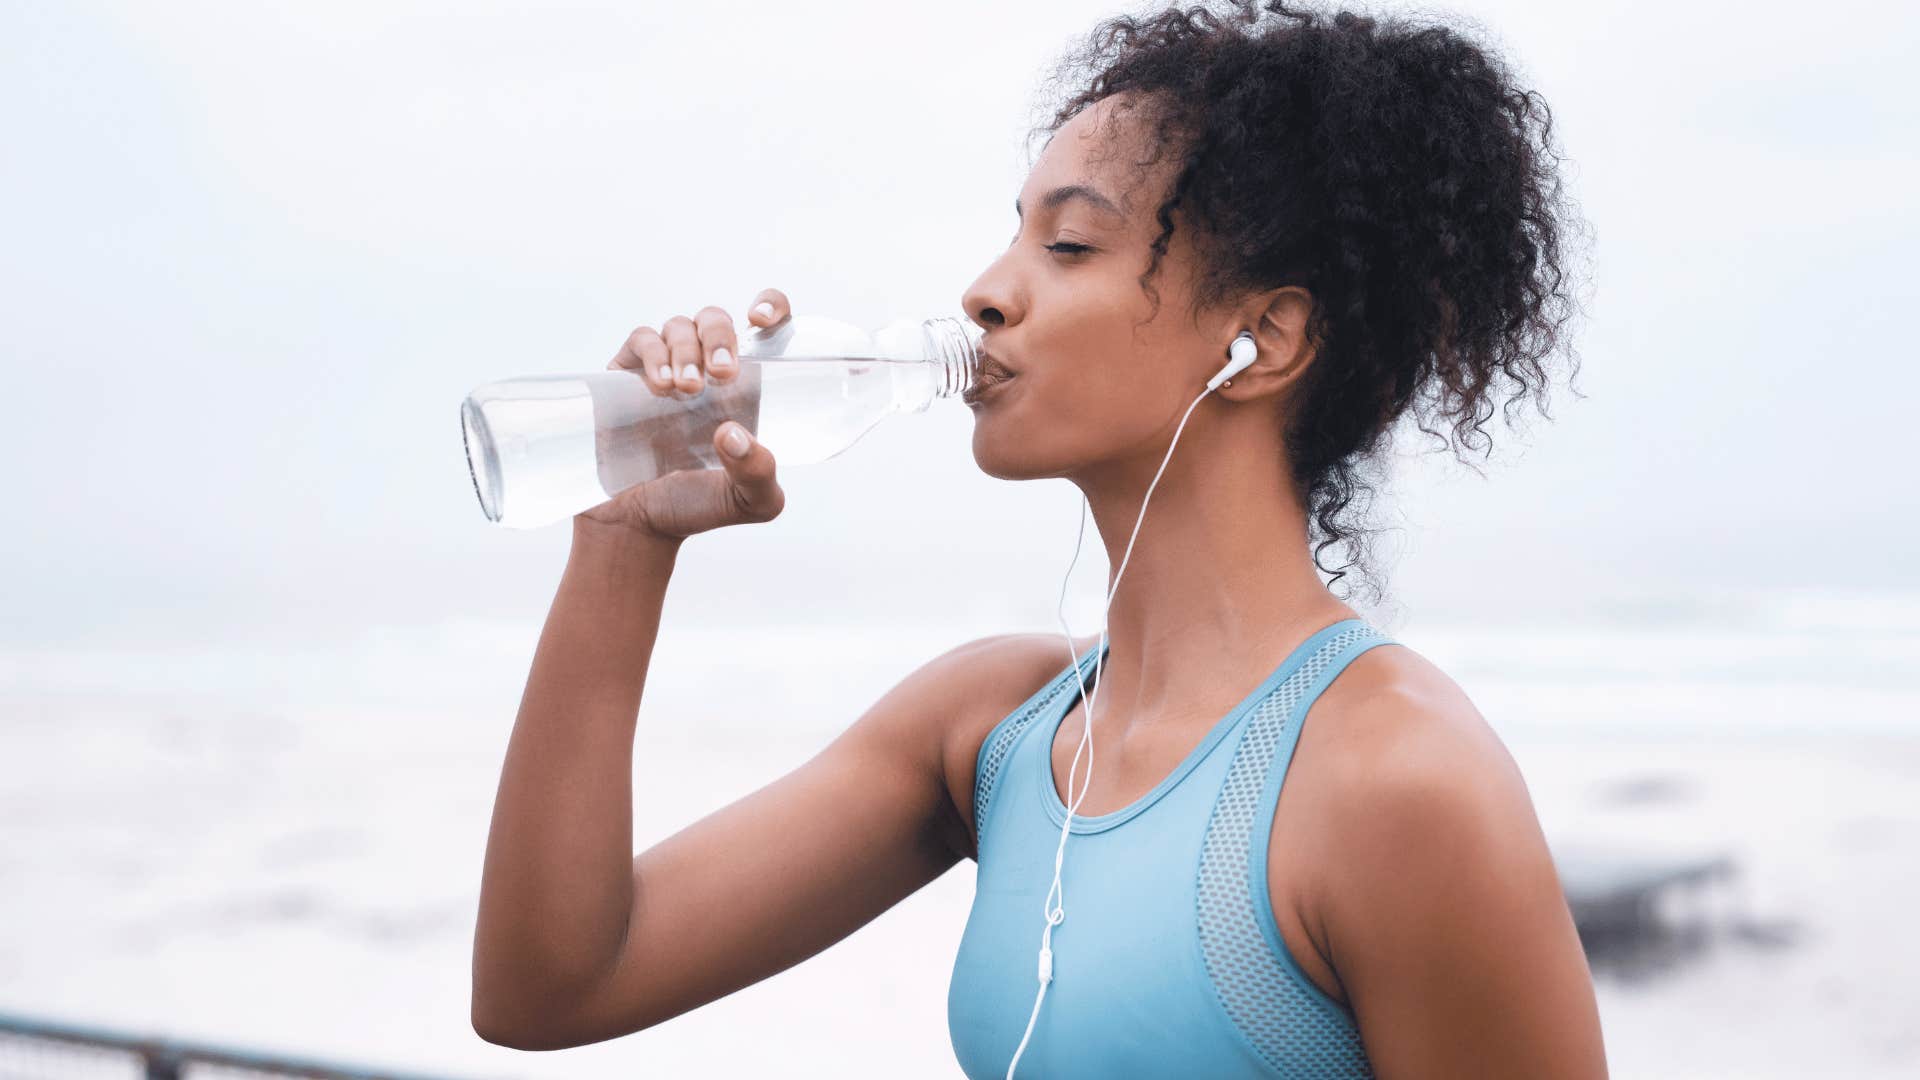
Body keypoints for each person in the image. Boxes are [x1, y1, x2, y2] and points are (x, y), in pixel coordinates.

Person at [471, 1, 1606, 1076]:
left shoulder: (1394, 780)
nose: (983, 294)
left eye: (1068, 247)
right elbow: (549, 990)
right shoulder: (995, 734)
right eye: (1014, 235)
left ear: (1262, 338)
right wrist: (623, 542)